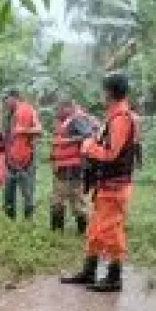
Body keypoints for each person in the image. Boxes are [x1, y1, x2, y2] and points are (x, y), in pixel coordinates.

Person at [61, 73, 138, 292]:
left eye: (104, 91)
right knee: (95, 230)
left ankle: (115, 277)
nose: (101, 95)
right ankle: (89, 270)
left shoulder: (122, 117)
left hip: (116, 186)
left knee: (111, 230)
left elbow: (112, 153)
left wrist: (88, 147)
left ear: (110, 93)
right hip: (107, 184)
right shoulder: (114, 116)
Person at [49, 99, 100, 233]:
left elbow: (88, 135)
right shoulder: (64, 122)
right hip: (62, 166)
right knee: (58, 198)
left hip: (73, 166)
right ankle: (57, 230)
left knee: (76, 199)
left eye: (59, 109)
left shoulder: (76, 120)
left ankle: (83, 230)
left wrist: (66, 141)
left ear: (68, 108)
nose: (57, 112)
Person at [2, 90, 42, 220]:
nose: (5, 102)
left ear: (14, 98)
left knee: (27, 191)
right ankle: (9, 220)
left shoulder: (28, 110)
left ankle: (28, 221)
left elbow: (39, 130)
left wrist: (24, 130)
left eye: (6, 99)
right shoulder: (9, 114)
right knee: (8, 191)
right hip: (10, 158)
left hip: (26, 158)